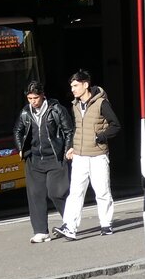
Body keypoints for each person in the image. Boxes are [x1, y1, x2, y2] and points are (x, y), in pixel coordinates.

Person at [55, 70, 120, 239]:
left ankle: (106, 224)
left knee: (102, 191)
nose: (73, 89)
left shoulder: (101, 103)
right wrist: (72, 147)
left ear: (85, 85)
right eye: (71, 86)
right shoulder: (75, 105)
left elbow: (115, 125)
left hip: (98, 154)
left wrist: (100, 137)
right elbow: (78, 129)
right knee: (75, 192)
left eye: (75, 85)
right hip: (80, 155)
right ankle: (70, 227)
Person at [12, 81, 73, 243]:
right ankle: (40, 231)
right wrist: (20, 148)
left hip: (55, 157)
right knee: (35, 195)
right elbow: (17, 130)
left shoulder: (56, 109)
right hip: (34, 159)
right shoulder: (25, 112)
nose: (33, 101)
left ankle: (70, 223)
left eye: (36, 98)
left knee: (57, 192)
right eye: (30, 98)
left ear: (43, 95)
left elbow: (69, 130)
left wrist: (68, 149)